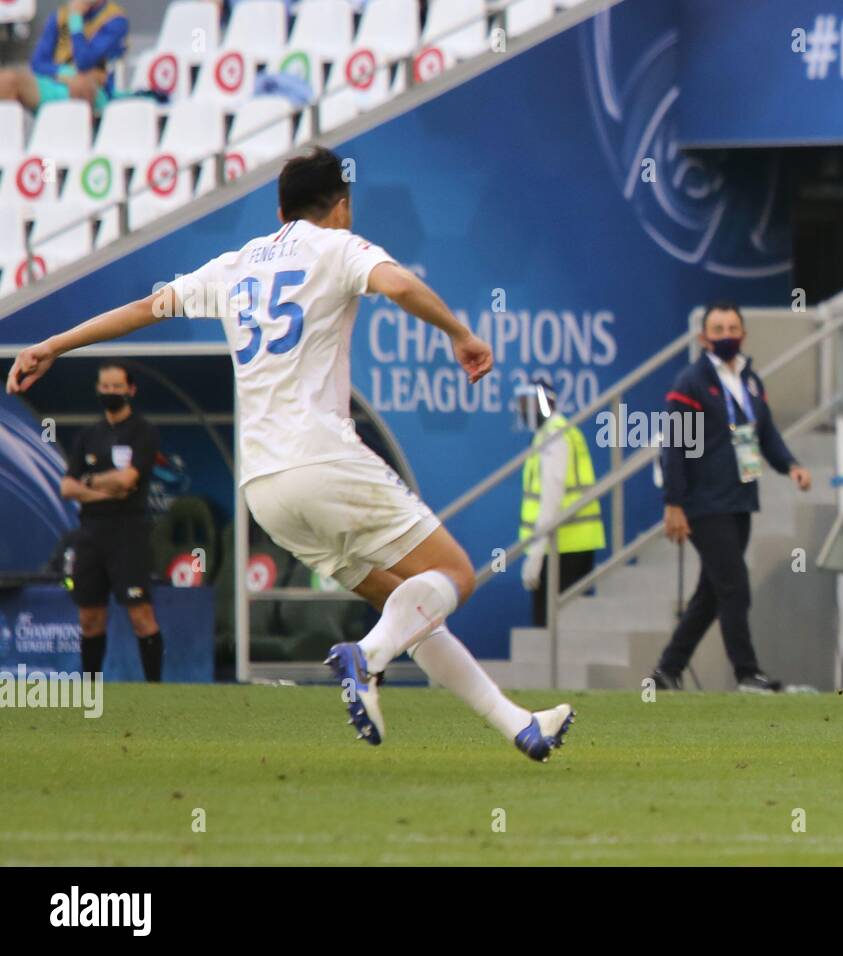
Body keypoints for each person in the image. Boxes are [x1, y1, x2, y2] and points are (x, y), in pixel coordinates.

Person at [7, 147, 574, 762]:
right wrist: (460, 334)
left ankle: (520, 723)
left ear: (279, 209)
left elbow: (145, 310)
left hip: (266, 491)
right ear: (342, 206)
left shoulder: (236, 264)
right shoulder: (336, 246)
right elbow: (401, 283)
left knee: (407, 606)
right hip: (324, 459)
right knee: (456, 574)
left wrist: (53, 345)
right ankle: (368, 658)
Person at [649, 301, 812, 694]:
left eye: (732, 328)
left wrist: (790, 465)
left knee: (712, 591)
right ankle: (746, 673)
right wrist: (674, 503)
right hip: (704, 502)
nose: (726, 335)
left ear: (743, 333)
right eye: (718, 329)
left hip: (740, 497)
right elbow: (674, 445)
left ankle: (666, 671)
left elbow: (765, 433)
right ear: (704, 337)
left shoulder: (750, 380)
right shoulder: (690, 381)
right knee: (734, 584)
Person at [60, 361, 163, 681]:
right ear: (97, 389)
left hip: (128, 532)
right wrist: (103, 488)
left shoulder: (143, 431)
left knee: (140, 615)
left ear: (130, 390)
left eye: (117, 387)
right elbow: (67, 487)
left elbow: (129, 481)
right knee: (90, 617)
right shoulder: (89, 435)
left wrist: (89, 483)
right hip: (90, 533)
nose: (111, 393)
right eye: (105, 387)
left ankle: (156, 691)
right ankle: (90, 688)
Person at [515, 377, 605, 627]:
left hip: (562, 547)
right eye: (522, 403)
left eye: (529, 403)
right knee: (561, 627)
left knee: (555, 628)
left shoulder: (555, 434)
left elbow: (551, 495)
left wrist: (536, 553)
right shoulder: (550, 432)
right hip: (563, 544)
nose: (524, 409)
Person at [0, 1, 127, 113]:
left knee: (80, 84)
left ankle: (77, 137)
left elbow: (84, 61)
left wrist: (76, 21)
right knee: (7, 79)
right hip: (57, 82)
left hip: (97, 90)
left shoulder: (115, 20)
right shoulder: (59, 16)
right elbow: (38, 63)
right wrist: (65, 73)